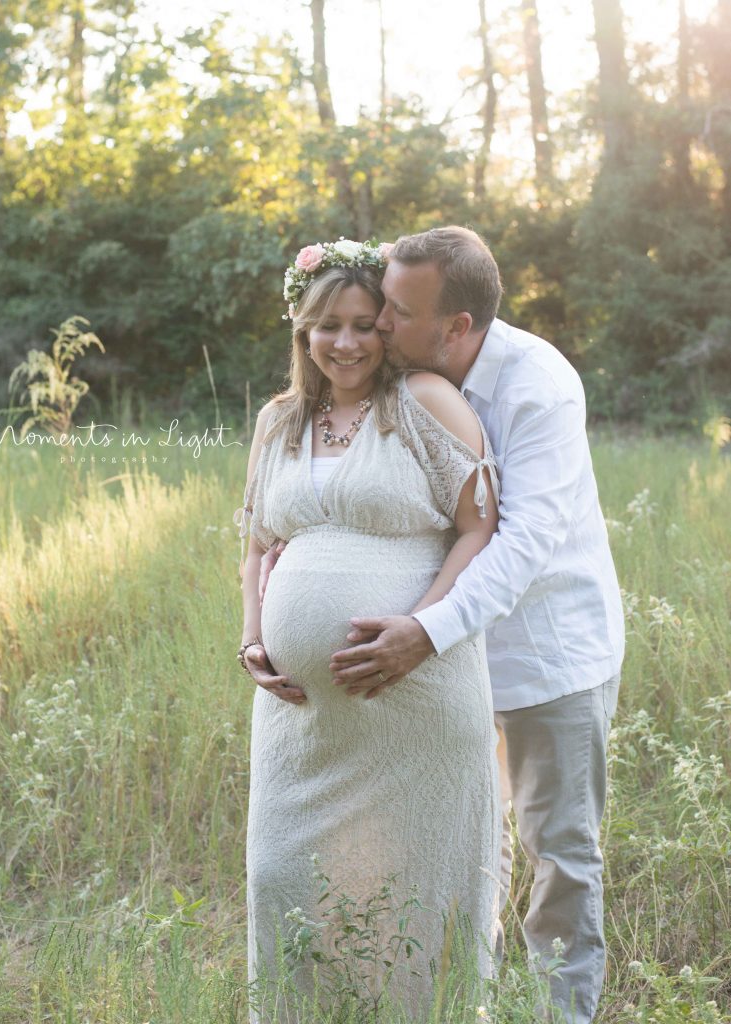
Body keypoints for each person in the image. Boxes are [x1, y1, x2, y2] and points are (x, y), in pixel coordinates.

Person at [308, 226, 624, 1024]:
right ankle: (457, 1007)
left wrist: (426, 630)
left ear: (459, 327)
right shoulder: (396, 377)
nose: (377, 323)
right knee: (456, 847)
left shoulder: (536, 385)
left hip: (547, 657)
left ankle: (563, 1016)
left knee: (561, 855)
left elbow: (524, 541)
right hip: (444, 665)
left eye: (396, 311)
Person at [235, 238, 502, 1023]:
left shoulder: (421, 400)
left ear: (386, 329)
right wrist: (254, 639)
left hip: (417, 694)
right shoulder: (279, 420)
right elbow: (254, 543)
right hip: (301, 720)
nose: (346, 343)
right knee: (286, 880)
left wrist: (422, 626)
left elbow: (478, 528)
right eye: (327, 326)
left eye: (363, 324)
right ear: (301, 331)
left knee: (414, 891)